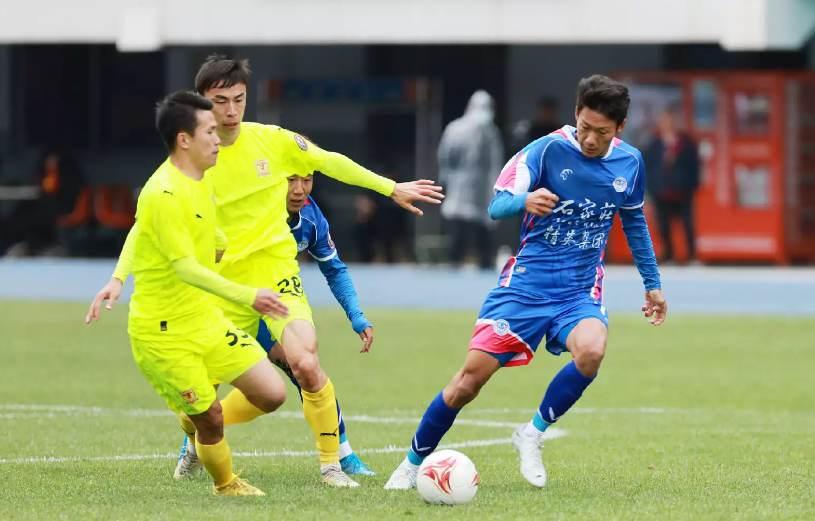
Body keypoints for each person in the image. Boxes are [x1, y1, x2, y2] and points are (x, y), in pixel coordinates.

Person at [91, 55, 443, 488]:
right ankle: (196, 438)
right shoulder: (188, 165)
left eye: (239, 99)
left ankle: (332, 466)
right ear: (201, 104)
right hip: (220, 287)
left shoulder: (273, 141)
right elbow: (146, 226)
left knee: (306, 363)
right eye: (220, 101)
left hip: (276, 275)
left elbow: (330, 161)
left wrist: (390, 188)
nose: (231, 111)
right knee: (202, 397)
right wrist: (118, 277)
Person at [384, 75, 667, 490]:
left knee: (592, 351)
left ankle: (531, 434)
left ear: (620, 128)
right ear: (576, 115)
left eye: (602, 132)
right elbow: (497, 205)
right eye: (585, 127)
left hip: (579, 291)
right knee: (467, 383)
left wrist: (652, 283)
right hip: (524, 289)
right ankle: (411, 464)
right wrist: (525, 200)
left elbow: (635, 222)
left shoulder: (630, 162)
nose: (591, 139)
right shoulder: (544, 150)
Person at [86, 91, 290, 496]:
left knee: (272, 394)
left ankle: (190, 412)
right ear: (184, 140)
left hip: (204, 319)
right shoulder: (162, 192)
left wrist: (117, 277)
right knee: (211, 417)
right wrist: (248, 295)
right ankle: (226, 484)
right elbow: (184, 268)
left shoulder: (203, 175)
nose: (219, 137)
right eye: (210, 131)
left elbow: (145, 229)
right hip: (164, 333)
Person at [252, 172, 377, 475]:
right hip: (230, 300)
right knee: (211, 377)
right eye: (290, 180)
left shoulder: (311, 216)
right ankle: (194, 446)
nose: (299, 190)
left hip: (275, 303)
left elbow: (334, 269)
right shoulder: (250, 206)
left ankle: (342, 456)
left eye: (306, 180)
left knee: (306, 368)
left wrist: (356, 315)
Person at [437, 90, 503, 269]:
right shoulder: (455, 129)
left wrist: (498, 188)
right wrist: (446, 179)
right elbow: (445, 157)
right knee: (459, 234)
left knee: (484, 238)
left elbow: (496, 163)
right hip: (459, 188)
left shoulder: (492, 133)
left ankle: (485, 265)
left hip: (484, 191)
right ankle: (454, 264)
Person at [644, 106, 700, 264]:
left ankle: (691, 255)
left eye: (671, 120)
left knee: (687, 224)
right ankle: (668, 254)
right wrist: (651, 187)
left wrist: (692, 185)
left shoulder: (686, 143)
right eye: (664, 120)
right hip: (661, 190)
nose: (668, 123)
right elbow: (648, 167)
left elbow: (694, 166)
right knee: (663, 224)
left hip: (682, 191)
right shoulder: (654, 144)